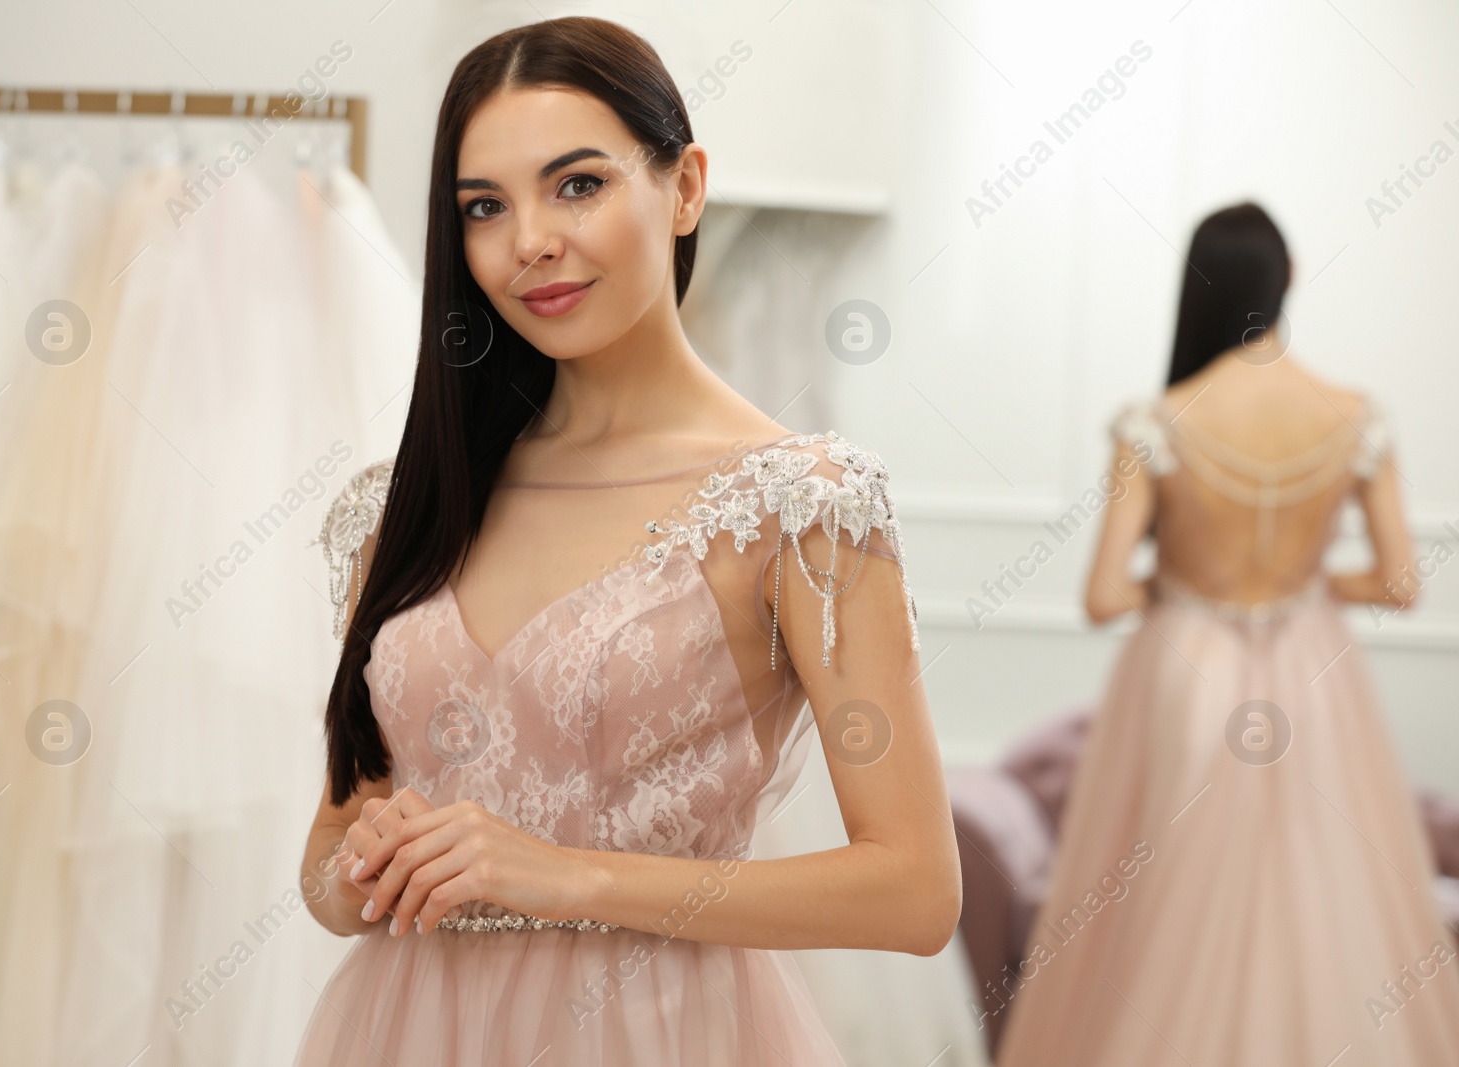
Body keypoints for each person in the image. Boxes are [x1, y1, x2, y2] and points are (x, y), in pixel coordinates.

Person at [290, 17, 961, 1066]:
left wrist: (570, 874)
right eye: (484, 207)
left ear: (684, 186)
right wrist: (369, 863)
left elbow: (915, 888)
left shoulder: (803, 505)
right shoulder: (405, 507)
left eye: (577, 185)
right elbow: (329, 862)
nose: (529, 243)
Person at [993, 202, 1459, 1065]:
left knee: (1164, 901)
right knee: (1319, 896)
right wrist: (1308, 582)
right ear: (1288, 279)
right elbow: (1399, 583)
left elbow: (1103, 595)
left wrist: (1183, 582)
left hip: (1185, 669)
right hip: (1316, 673)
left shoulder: (1158, 418)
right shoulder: (1354, 414)